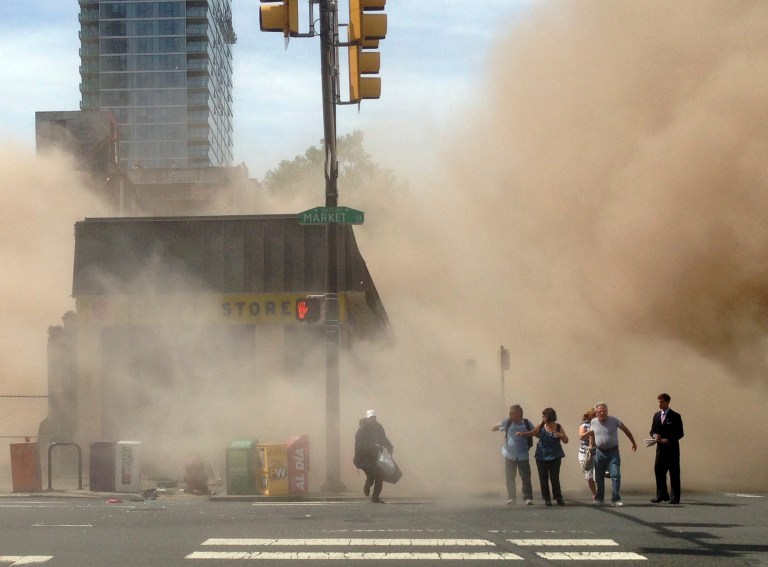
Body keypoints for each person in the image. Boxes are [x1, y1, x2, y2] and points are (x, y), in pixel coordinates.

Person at [589, 402, 637, 507]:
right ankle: (599, 498)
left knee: (615, 475)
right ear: (596, 413)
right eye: (599, 411)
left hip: (613, 451)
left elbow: (626, 430)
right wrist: (590, 446)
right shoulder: (593, 422)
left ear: (607, 411)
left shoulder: (614, 420)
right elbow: (592, 434)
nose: (602, 413)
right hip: (599, 452)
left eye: (604, 411)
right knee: (599, 476)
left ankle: (615, 499)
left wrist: (633, 442)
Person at [518, 407, 568, 506]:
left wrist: (560, 435)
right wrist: (523, 434)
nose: (543, 417)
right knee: (543, 478)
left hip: (555, 456)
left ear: (549, 416)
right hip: (541, 456)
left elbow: (566, 440)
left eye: (544, 416)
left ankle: (558, 497)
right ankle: (547, 498)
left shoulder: (558, 427)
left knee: (554, 478)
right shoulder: (541, 425)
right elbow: (533, 433)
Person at [491, 404, 534, 505]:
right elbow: (497, 427)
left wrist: (528, 433)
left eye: (514, 415)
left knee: (525, 477)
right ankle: (511, 497)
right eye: (511, 415)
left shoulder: (527, 423)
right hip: (509, 454)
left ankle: (528, 498)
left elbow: (534, 432)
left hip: (523, 454)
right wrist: (496, 426)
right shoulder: (508, 422)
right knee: (510, 477)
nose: (512, 417)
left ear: (520, 415)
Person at [650, 393, 684, 504]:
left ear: (668, 402)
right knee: (658, 470)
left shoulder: (675, 416)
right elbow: (652, 430)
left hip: (672, 449)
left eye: (662, 401)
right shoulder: (656, 415)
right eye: (659, 401)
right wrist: (655, 435)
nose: (660, 403)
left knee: (674, 473)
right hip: (660, 449)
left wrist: (668, 440)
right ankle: (662, 495)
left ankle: (675, 497)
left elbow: (680, 433)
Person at [353, 409, 393, 504]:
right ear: (367, 419)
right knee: (371, 477)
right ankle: (367, 486)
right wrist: (372, 446)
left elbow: (383, 439)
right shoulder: (361, 431)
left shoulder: (378, 428)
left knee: (379, 476)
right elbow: (359, 446)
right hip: (364, 458)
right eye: (371, 418)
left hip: (375, 456)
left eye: (374, 417)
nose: (373, 420)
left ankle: (375, 497)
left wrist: (390, 447)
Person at [578, 408, 597, 500]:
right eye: (593, 415)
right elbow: (581, 436)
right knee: (589, 475)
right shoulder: (584, 425)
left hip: (597, 452)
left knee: (597, 474)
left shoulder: (600, 425)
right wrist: (590, 433)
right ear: (589, 416)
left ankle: (599, 493)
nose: (595, 417)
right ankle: (595, 494)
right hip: (585, 454)